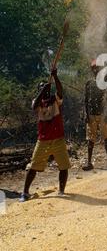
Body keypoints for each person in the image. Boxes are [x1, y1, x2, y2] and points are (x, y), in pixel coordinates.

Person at [19, 69, 70, 202]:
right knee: (33, 166)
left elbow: (60, 91)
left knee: (64, 166)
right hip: (43, 141)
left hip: (58, 139)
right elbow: (34, 106)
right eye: (42, 87)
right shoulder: (37, 102)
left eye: (46, 87)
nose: (45, 89)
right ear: (39, 90)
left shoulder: (55, 100)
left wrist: (55, 76)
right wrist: (42, 90)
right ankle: (25, 193)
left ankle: (61, 191)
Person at [82, 60, 107, 171]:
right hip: (91, 115)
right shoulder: (89, 83)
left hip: (103, 114)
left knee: (106, 138)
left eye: (98, 68)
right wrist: (86, 114)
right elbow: (86, 100)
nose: (96, 70)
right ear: (92, 70)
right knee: (90, 139)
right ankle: (89, 162)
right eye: (94, 68)